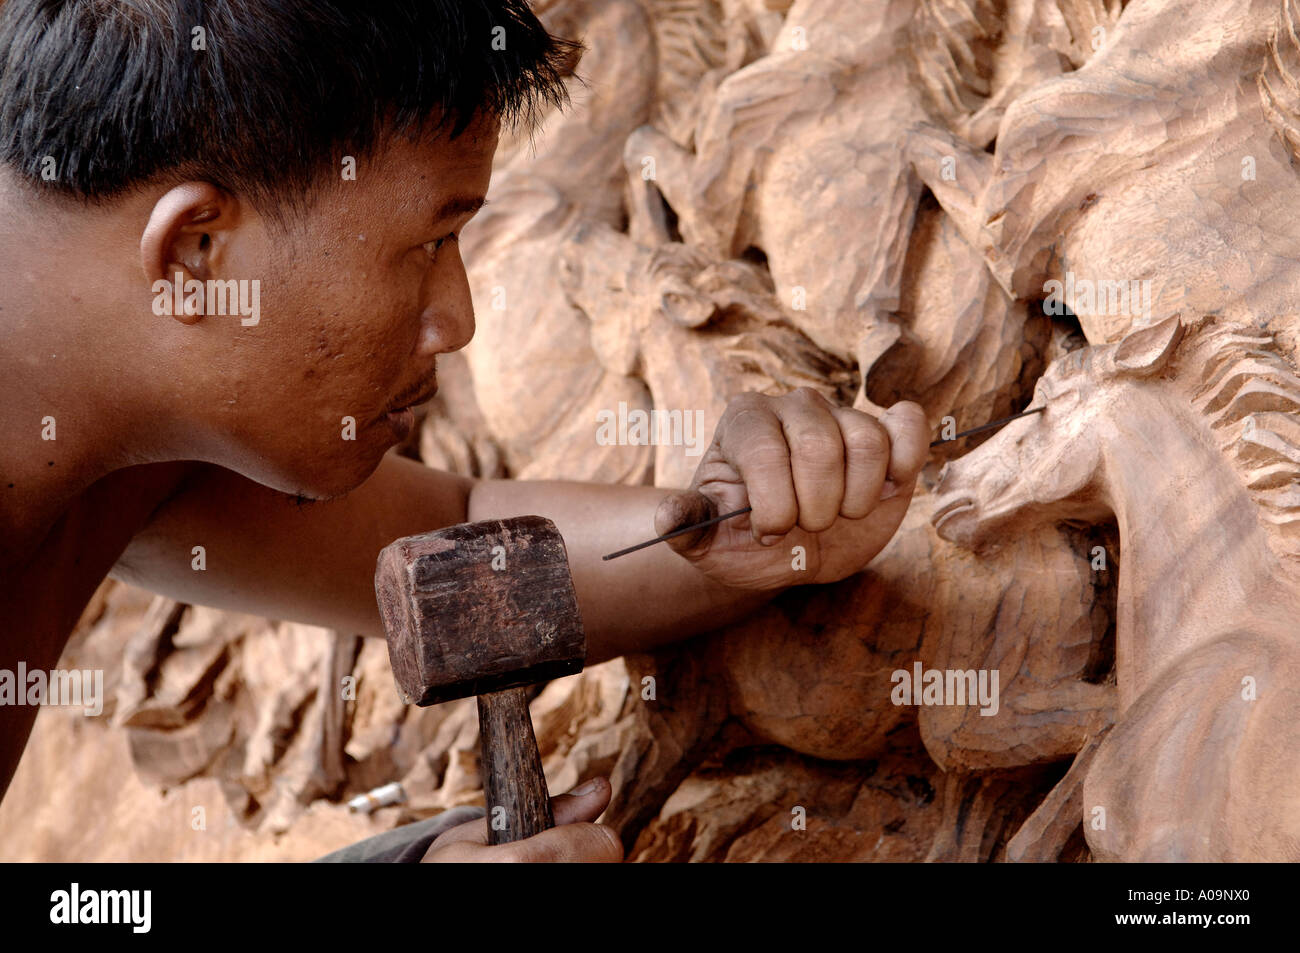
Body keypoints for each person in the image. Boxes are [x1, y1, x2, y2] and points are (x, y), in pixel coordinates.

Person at [0, 0, 928, 862]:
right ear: (197, 251)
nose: (457, 320)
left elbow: (462, 548)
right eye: (428, 246)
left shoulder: (137, 436)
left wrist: (734, 522)